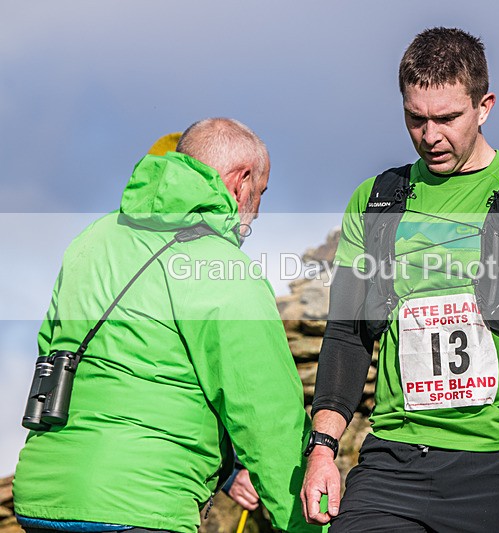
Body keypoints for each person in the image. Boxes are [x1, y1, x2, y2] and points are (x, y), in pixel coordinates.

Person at [301, 28, 499, 532]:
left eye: (447, 118)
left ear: (484, 106)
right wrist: (322, 450)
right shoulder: (377, 200)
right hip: (394, 466)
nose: (430, 136)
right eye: (416, 119)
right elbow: (349, 333)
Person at [13, 118, 319, 533]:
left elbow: (51, 350)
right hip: (141, 505)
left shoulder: (93, 238)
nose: (258, 211)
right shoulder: (226, 270)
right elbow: (265, 415)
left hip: (42, 497)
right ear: (241, 181)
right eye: (261, 193)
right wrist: (304, 525)